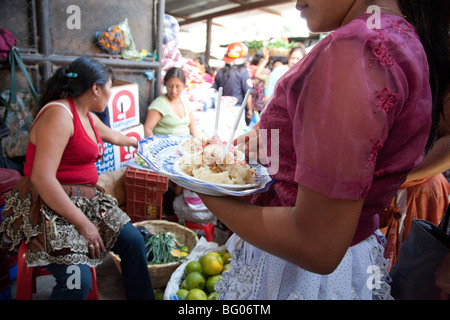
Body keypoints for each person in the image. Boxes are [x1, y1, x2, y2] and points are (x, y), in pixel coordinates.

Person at [197, 0, 446, 300]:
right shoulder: (395, 38)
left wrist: (203, 185)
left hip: (299, 277)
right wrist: (274, 143)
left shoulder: (358, 47)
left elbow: (316, 244)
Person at [0, 56, 155, 300]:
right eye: (110, 87)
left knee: (134, 241)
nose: (111, 94)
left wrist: (148, 144)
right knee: (76, 281)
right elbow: (42, 179)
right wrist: (84, 224)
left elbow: (114, 136)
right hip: (48, 204)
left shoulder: (87, 115)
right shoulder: (59, 116)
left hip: (84, 198)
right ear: (96, 88)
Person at [144, 67, 200, 138]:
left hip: (185, 145)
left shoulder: (185, 101)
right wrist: (155, 145)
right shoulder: (159, 104)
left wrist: (201, 143)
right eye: (170, 86)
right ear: (165, 84)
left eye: (178, 86)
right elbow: (147, 129)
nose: (174, 90)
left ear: (183, 86)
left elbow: (193, 128)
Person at [212, 42, 254, 126]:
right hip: (237, 109)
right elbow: (248, 93)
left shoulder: (220, 71)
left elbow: (214, 90)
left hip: (221, 109)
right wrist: (249, 110)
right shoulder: (243, 72)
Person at [249, 49, 271, 114]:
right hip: (253, 102)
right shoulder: (251, 69)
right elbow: (252, 83)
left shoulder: (267, 71)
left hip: (259, 102)